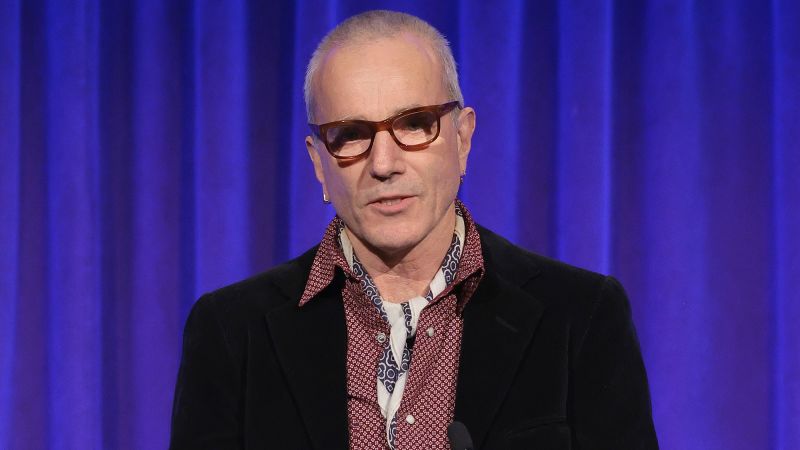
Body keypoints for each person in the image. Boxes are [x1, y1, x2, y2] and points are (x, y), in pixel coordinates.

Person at [169, 10, 658, 450]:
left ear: (462, 139)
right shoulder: (231, 333)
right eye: (350, 135)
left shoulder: (581, 317)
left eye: (415, 124)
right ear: (319, 163)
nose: (384, 164)